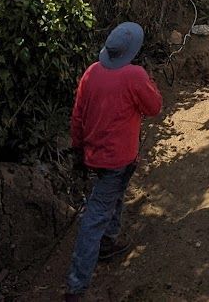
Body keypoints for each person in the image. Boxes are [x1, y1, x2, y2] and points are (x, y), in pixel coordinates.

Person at [64, 21, 163, 301]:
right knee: (95, 215)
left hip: (93, 154)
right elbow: (154, 107)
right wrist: (148, 80)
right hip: (118, 157)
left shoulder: (92, 73)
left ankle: (108, 242)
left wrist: (77, 148)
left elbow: (78, 116)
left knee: (113, 195)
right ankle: (76, 283)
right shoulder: (134, 76)